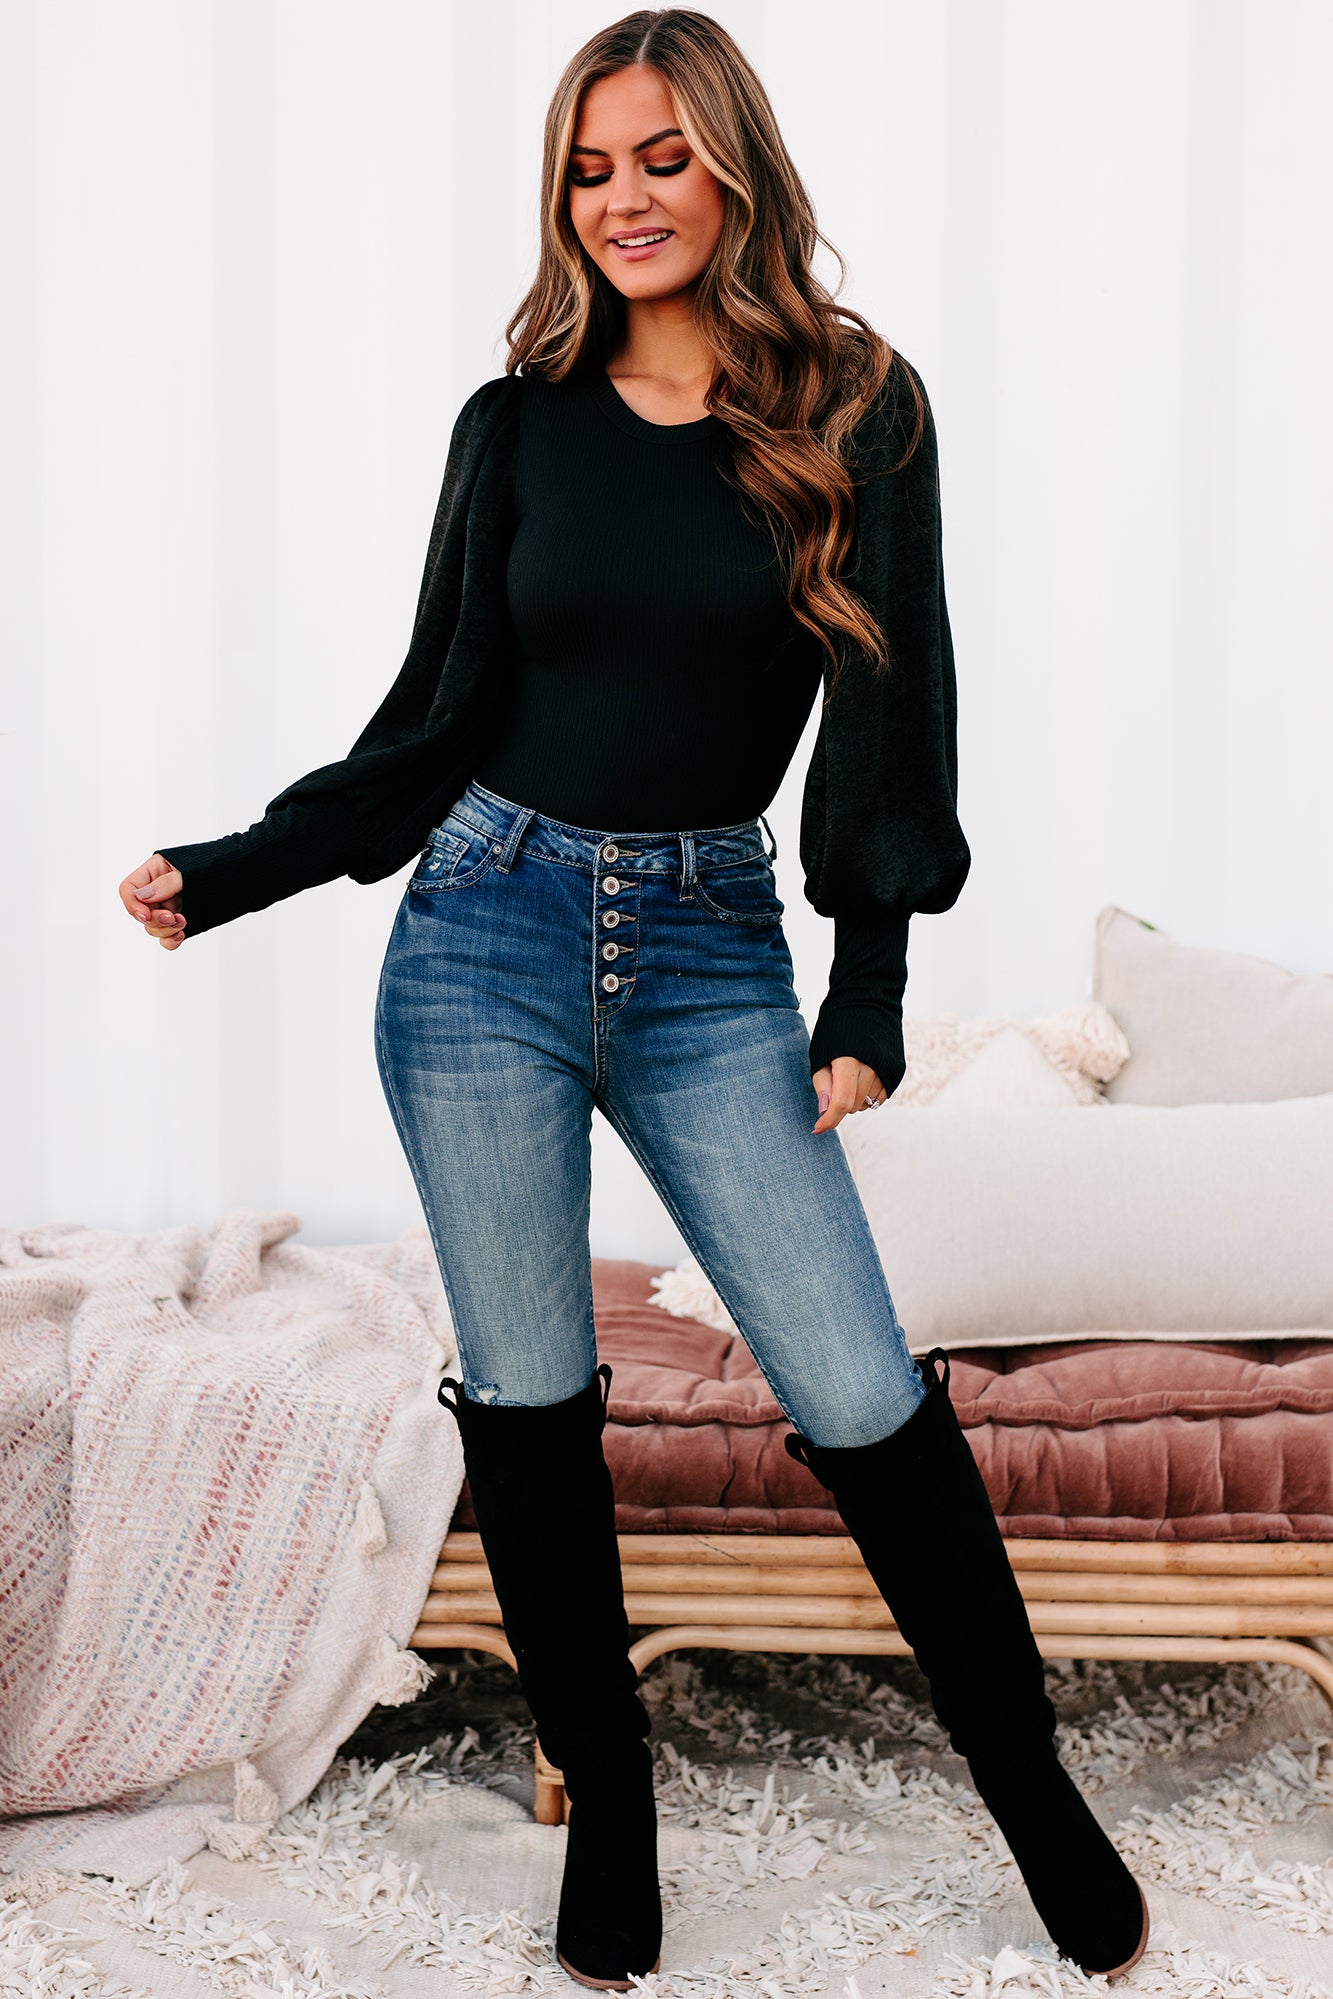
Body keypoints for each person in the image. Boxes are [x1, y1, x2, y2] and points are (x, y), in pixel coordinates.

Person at [118, 9, 1149, 1991]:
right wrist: (243, 866)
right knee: (528, 1397)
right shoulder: (516, 426)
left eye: (661, 157)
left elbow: (894, 714)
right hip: (480, 938)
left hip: (706, 951)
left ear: (733, 166)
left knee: (856, 1385)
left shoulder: (858, 408)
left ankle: (1031, 1793)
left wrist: (866, 991)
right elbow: (433, 719)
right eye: (590, 169)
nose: (624, 199)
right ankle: (610, 1801)